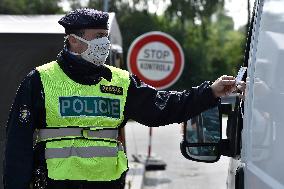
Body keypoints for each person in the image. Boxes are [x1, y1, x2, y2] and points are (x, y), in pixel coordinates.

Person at [3, 8, 237, 189]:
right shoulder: (40, 80)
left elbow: (163, 108)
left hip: (107, 183)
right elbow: (18, 143)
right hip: (57, 183)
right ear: (74, 40)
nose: (104, 44)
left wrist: (210, 92)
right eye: (98, 36)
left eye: (106, 36)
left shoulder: (121, 81)